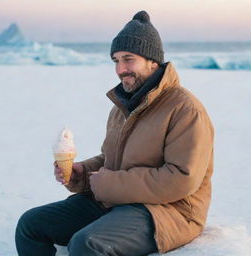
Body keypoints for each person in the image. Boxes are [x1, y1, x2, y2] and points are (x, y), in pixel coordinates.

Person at [15, 10, 214, 256]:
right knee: (31, 225)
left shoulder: (185, 109)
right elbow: (112, 160)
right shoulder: (123, 106)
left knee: (87, 244)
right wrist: (82, 172)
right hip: (120, 201)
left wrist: (109, 184)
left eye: (128, 59)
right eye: (116, 61)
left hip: (169, 212)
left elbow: (181, 178)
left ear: (153, 60)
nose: (120, 69)